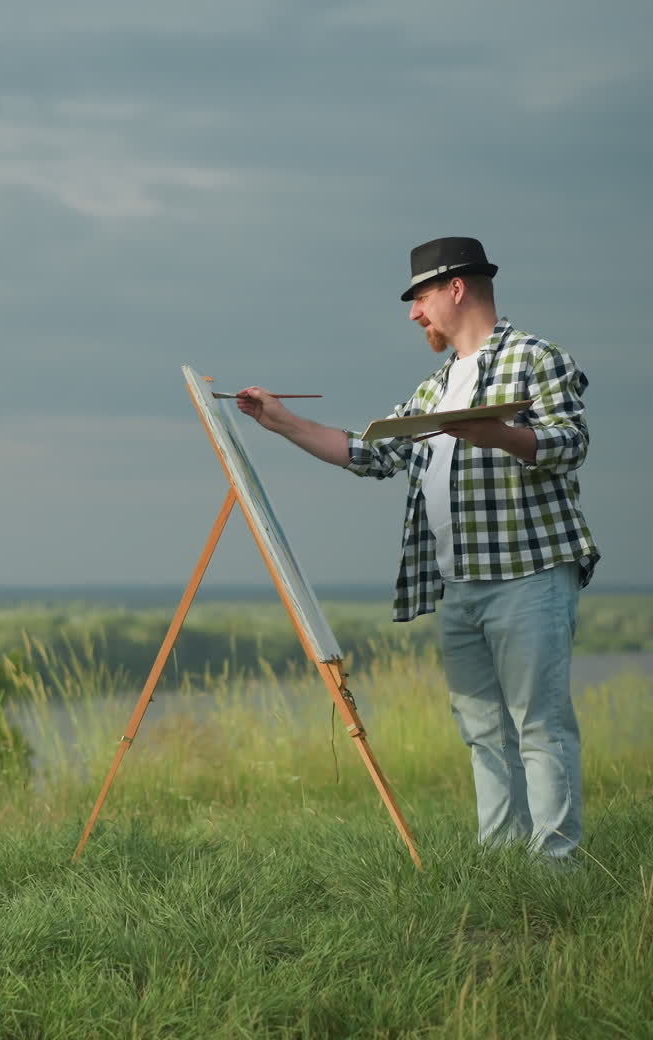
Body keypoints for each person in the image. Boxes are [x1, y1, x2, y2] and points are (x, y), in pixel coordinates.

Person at [237, 237, 600, 861]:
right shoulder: (434, 388)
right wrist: (281, 422)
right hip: (458, 585)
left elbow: (570, 442)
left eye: (421, 297)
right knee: (483, 731)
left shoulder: (535, 358)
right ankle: (500, 862)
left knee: (539, 725)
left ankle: (556, 870)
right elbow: (374, 453)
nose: (414, 313)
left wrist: (498, 435)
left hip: (530, 575)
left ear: (456, 288)